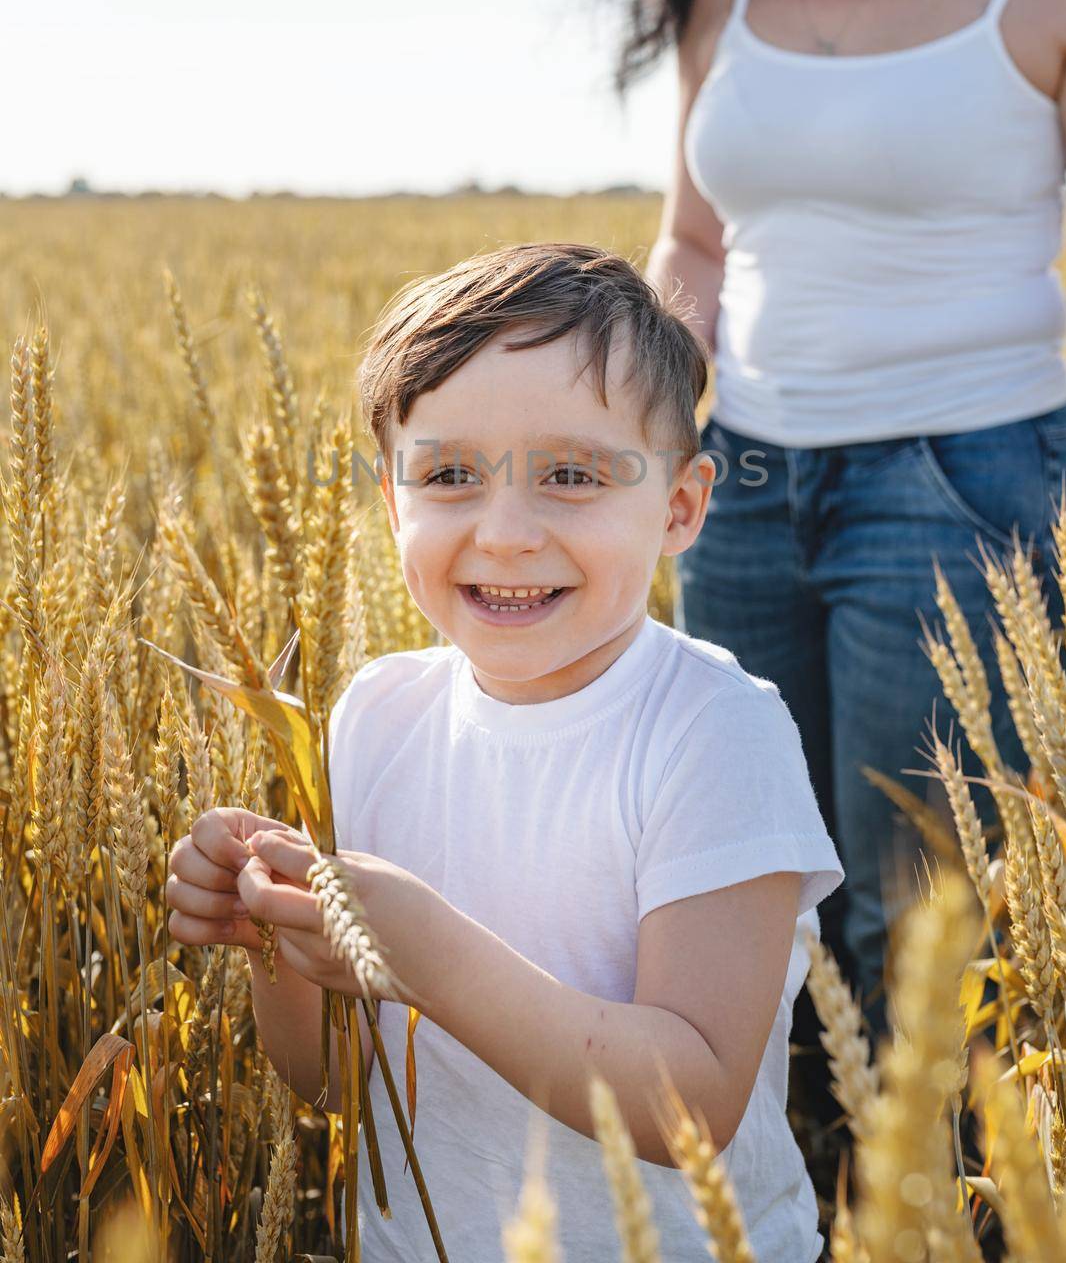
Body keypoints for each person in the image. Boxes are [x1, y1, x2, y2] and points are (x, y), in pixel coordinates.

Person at [166, 242, 845, 1263]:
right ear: (393, 504)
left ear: (681, 507)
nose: (506, 530)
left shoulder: (716, 731)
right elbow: (327, 1081)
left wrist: (421, 949)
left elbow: (691, 1106)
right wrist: (272, 927)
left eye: (571, 474)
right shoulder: (372, 717)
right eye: (448, 475)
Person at [624, 0, 1066, 1104]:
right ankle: (789, 1201)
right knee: (747, 884)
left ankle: (924, 1214)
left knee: (916, 924)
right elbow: (696, 238)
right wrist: (633, 426)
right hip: (743, 480)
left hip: (965, 493)